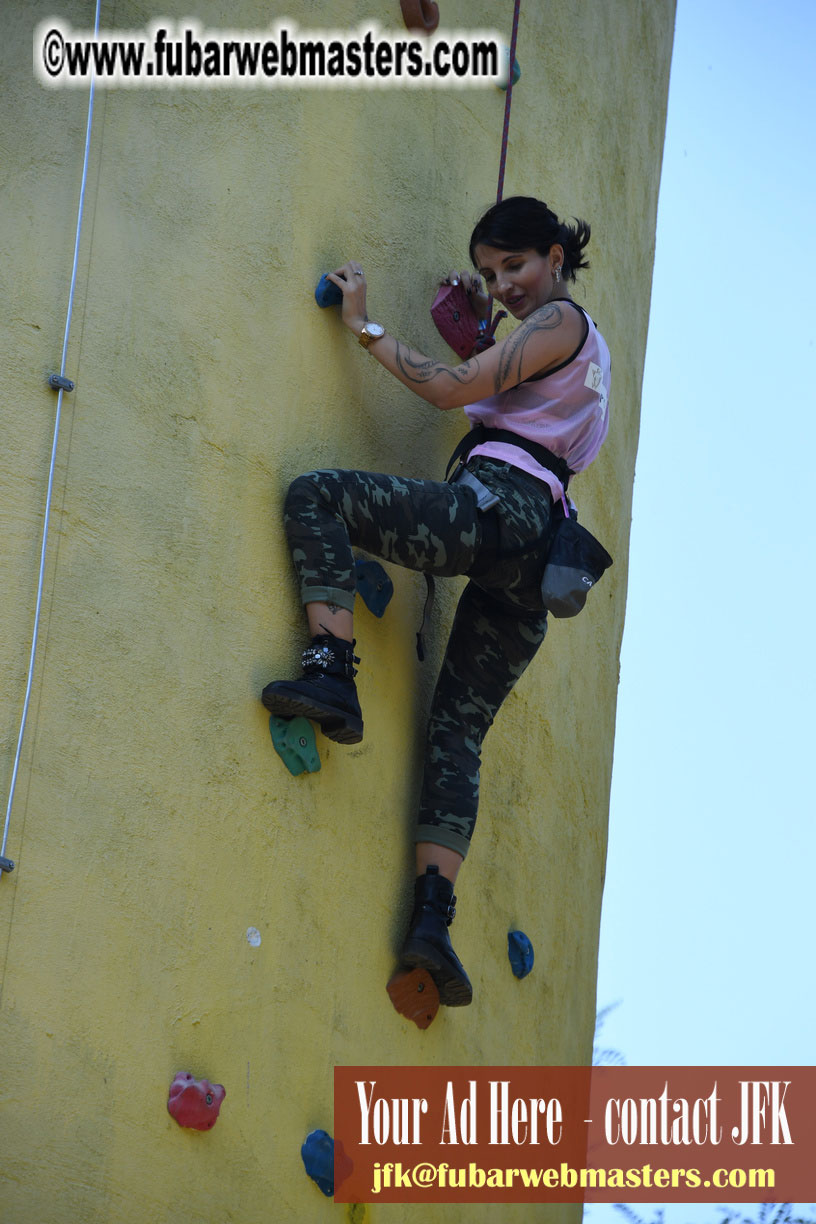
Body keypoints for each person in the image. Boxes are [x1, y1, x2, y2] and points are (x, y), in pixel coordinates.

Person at [262, 196, 611, 1008]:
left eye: (515, 266)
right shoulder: (575, 358)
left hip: (502, 509)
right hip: (541, 562)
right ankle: (432, 923)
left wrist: (364, 324)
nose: (505, 286)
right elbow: (500, 390)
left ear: (556, 256)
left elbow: (451, 393)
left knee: (316, 496)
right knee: (457, 732)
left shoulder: (562, 323)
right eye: (491, 275)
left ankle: (329, 672)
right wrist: (480, 332)